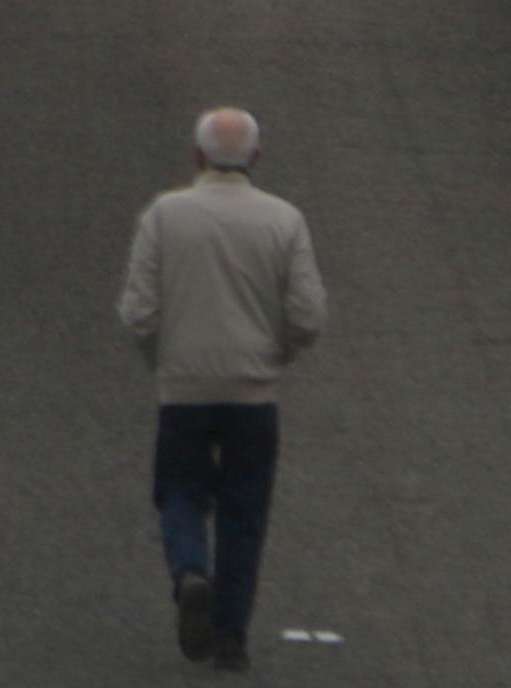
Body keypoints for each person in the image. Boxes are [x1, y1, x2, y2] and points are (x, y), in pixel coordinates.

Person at [117, 107, 328, 673]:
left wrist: (162, 360)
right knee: (245, 509)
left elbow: (138, 311)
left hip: (184, 389)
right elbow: (309, 315)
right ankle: (231, 636)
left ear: (197, 156)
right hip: (253, 395)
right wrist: (275, 354)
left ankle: (190, 570)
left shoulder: (165, 217)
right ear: (256, 160)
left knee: (181, 489)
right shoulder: (285, 222)